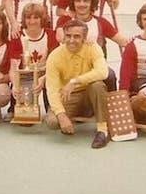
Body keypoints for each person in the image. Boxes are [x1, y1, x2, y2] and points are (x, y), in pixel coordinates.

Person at [45, 19, 111, 149]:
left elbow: (103, 72)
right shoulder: (55, 56)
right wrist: (61, 115)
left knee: (97, 85)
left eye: (77, 36)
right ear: (63, 36)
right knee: (53, 122)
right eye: (68, 36)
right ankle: (74, 117)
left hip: (89, 93)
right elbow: (52, 89)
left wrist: (74, 81)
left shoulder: (93, 48)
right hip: (69, 96)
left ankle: (102, 131)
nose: (71, 40)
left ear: (84, 38)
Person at [55, 0, 128, 91]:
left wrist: (141, 39)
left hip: (95, 67)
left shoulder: (101, 22)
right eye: (78, 1)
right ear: (73, 3)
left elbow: (122, 41)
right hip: (71, 66)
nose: (82, 4)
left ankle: (110, 104)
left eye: (86, 1)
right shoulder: (65, 20)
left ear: (91, 3)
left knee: (110, 75)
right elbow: (60, 37)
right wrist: (83, 42)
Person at [8, 3, 59, 121]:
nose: (32, 21)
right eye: (28, 18)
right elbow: (13, 66)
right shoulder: (17, 36)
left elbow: (55, 65)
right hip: (25, 76)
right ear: (24, 19)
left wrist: (44, 78)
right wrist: (15, 84)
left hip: (47, 75)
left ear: (42, 19)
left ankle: (51, 108)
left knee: (53, 118)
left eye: (36, 17)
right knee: (26, 120)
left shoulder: (51, 35)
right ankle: (15, 106)